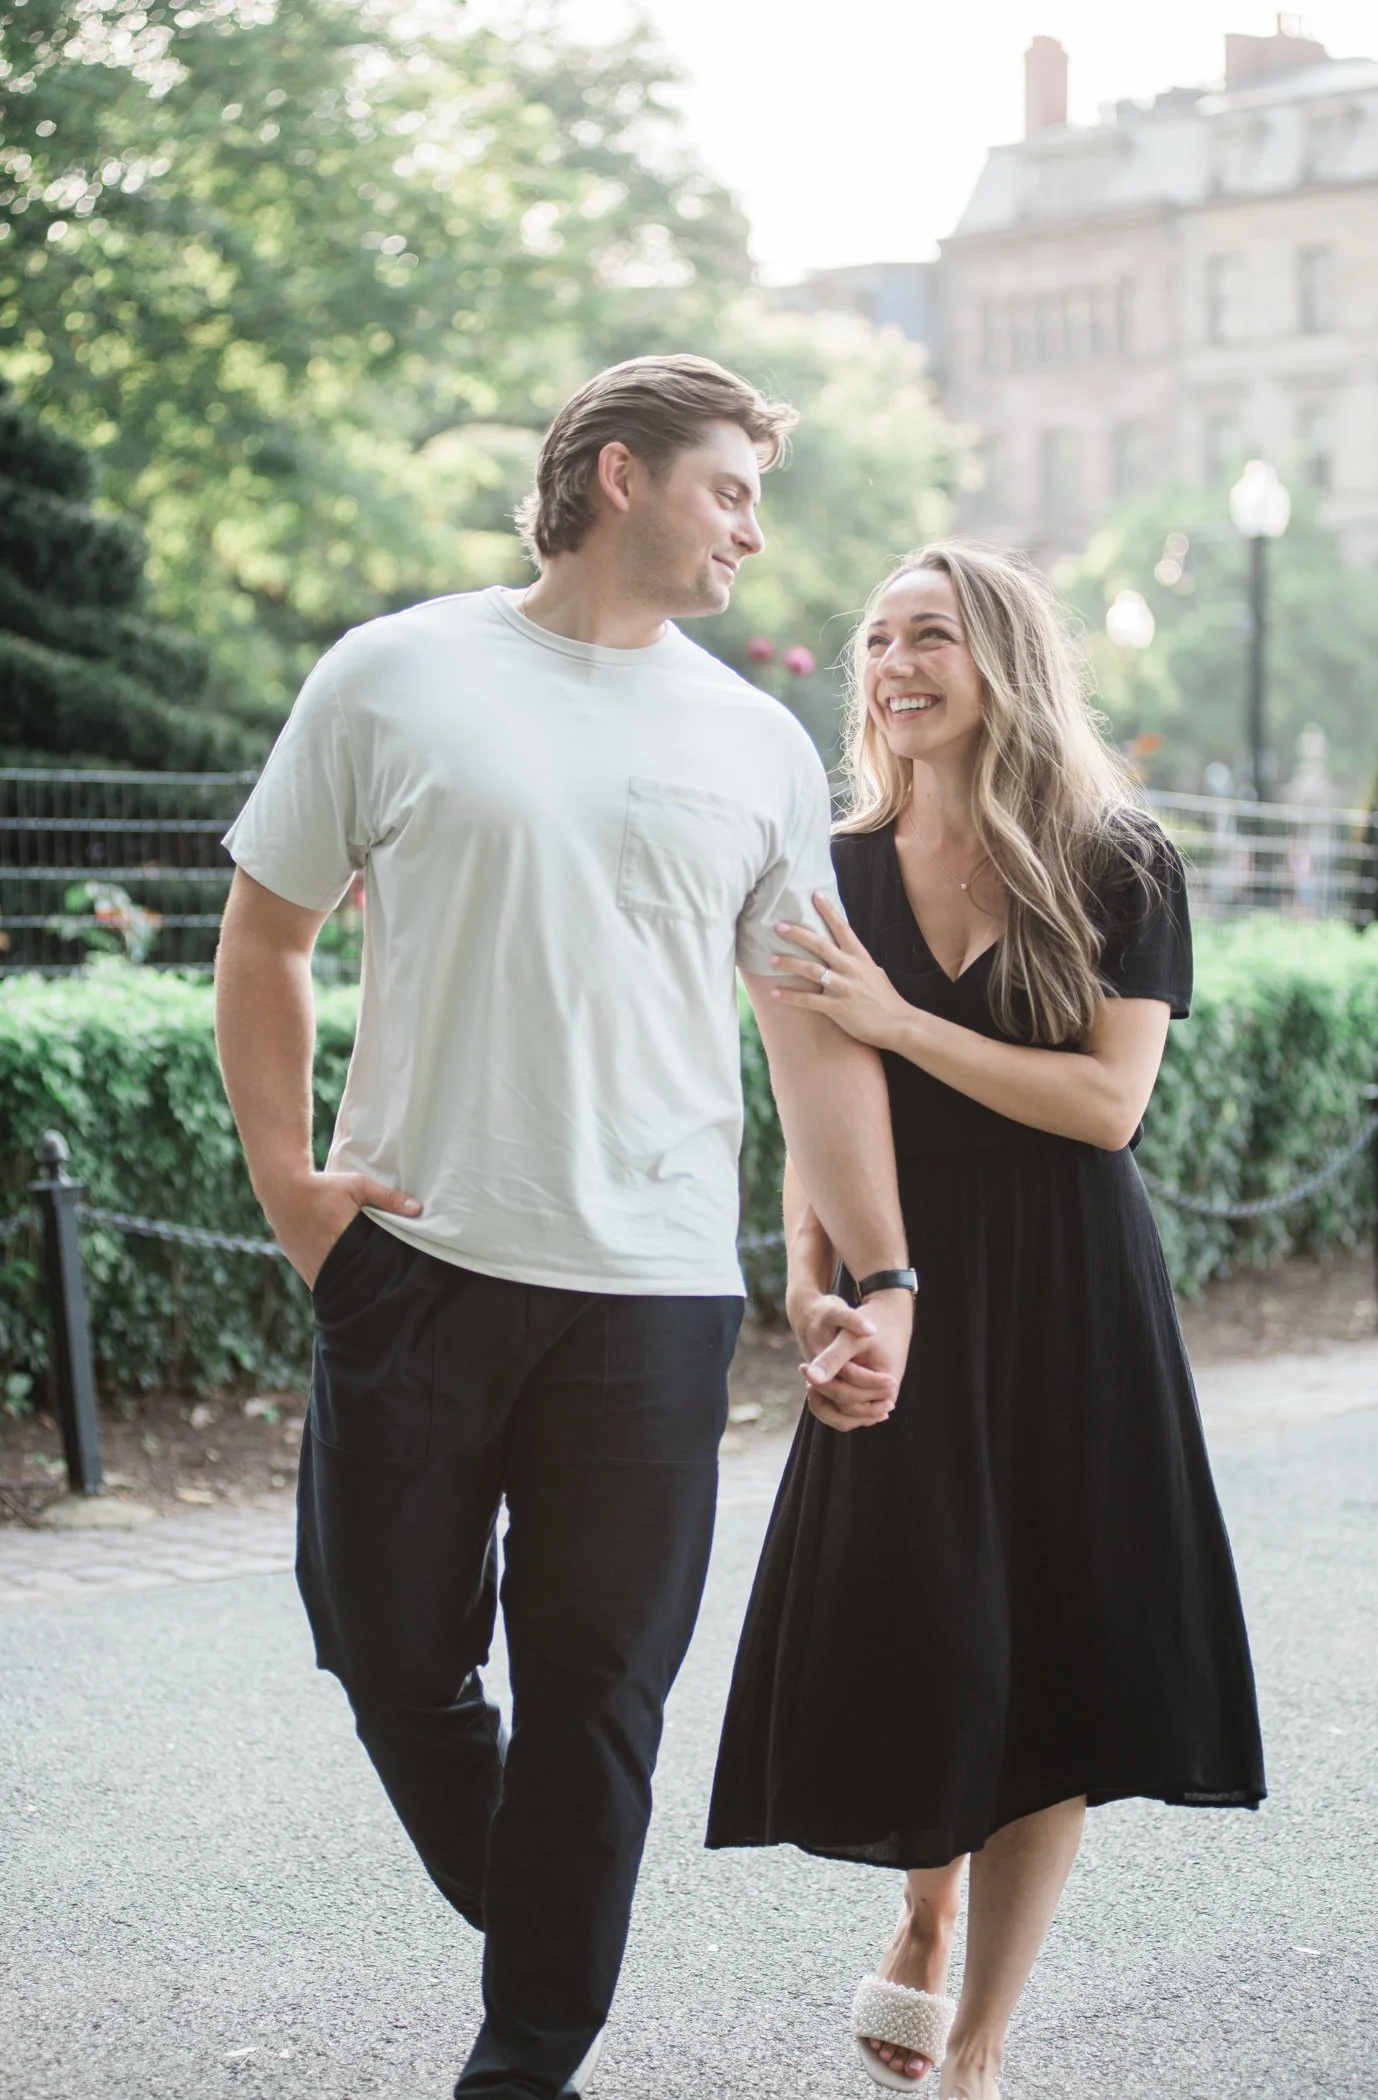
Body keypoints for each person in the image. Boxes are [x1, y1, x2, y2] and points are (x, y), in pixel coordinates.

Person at [212, 353, 916, 2100]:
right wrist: (291, 1186)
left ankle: (523, 2064)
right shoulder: (394, 672)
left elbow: (810, 1032)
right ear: (617, 475)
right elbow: (267, 933)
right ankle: (551, 1911)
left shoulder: (752, 743)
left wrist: (881, 1273)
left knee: (600, 1699)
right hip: (415, 1261)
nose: (753, 531)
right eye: (728, 489)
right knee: (387, 1654)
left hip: (650, 1297)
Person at [706, 542, 1265, 2099]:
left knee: (1050, 1649)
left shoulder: (1116, 857)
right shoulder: (831, 870)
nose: (893, 666)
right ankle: (924, 1906)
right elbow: (816, 1106)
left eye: (930, 636)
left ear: (1002, 658)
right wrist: (813, 1283)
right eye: (876, 638)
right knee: (928, 1622)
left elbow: (1106, 1106)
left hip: (1071, 1286)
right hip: (906, 1283)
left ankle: (978, 2046)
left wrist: (898, 1020)